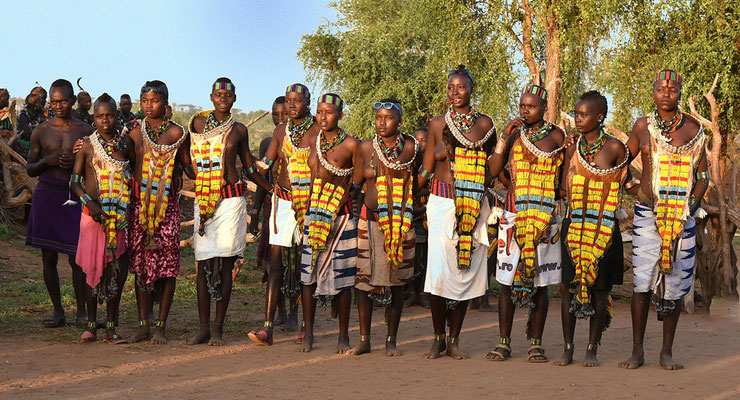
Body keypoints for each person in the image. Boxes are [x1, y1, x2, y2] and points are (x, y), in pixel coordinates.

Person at [619, 70, 708, 370]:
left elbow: (703, 177)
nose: (666, 93)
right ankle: (637, 350)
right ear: (653, 92)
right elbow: (621, 161)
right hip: (647, 214)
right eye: (661, 88)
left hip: (682, 217)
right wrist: (632, 189)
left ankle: (666, 351)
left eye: (672, 88)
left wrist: (690, 206)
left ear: (680, 91)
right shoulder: (643, 126)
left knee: (675, 284)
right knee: (642, 283)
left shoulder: (694, 129)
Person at [417, 66, 496, 359]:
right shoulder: (437, 124)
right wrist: (411, 187)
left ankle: (455, 340)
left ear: (472, 89)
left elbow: (491, 168)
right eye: (450, 87)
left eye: (460, 87)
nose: (454, 93)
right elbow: (426, 166)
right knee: (438, 274)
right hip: (441, 202)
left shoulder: (486, 124)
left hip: (474, 205)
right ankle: (437, 338)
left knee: (465, 275)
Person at [187, 78, 272, 346]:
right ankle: (202, 328)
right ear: (211, 97)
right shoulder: (198, 125)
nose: (223, 98)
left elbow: (248, 167)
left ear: (234, 98)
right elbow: (186, 158)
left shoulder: (238, 130)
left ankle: (218, 329)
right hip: (205, 201)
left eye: (228, 94)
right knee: (202, 265)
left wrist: (271, 188)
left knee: (225, 265)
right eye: (218, 94)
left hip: (232, 201)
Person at [486, 84, 566, 362]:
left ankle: (536, 343)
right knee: (506, 281)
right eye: (522, 106)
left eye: (531, 106)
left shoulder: (558, 136)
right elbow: (494, 171)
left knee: (541, 281)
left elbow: (564, 178)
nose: (524, 111)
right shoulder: (514, 135)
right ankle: (504, 342)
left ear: (544, 108)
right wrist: (504, 138)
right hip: (513, 216)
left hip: (544, 220)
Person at [552, 91, 629, 367]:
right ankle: (568, 347)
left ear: (600, 117)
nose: (578, 119)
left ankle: (591, 348)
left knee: (599, 290)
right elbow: (563, 189)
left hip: (604, 229)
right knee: (569, 288)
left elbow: (625, 184)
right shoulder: (572, 147)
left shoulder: (616, 148)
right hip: (575, 227)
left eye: (584, 114)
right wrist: (569, 154)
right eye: (576, 113)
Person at [248, 83, 320, 346]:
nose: (291, 105)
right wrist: (251, 165)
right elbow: (266, 164)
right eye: (289, 100)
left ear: (308, 103)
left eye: (297, 101)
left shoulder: (318, 131)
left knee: (306, 266)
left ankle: (305, 326)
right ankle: (268, 328)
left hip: (311, 205)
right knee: (276, 264)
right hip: (282, 203)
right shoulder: (281, 130)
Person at [350, 98, 418, 356]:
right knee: (364, 282)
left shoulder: (411, 147)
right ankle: (365, 339)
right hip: (370, 221)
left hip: (401, 222)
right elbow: (355, 182)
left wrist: (407, 203)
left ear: (399, 121)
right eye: (378, 117)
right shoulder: (366, 148)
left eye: (388, 118)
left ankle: (392, 340)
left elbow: (421, 176)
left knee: (398, 281)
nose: (382, 122)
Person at [127, 80, 190, 344]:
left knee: (167, 267)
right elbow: (125, 162)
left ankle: (161, 327)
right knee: (140, 266)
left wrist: (176, 171)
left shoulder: (177, 134)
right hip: (140, 207)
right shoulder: (132, 133)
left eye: (154, 101)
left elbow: (188, 167)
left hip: (167, 208)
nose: (148, 106)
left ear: (165, 103)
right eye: (144, 101)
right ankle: (143, 325)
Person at [26, 79, 92, 328]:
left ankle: (82, 313)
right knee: (48, 257)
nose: (58, 106)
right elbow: (30, 168)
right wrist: (48, 161)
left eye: (63, 100)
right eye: (54, 102)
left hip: (74, 197)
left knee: (77, 258)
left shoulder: (85, 130)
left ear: (73, 100)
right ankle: (58, 311)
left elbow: (96, 165)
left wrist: (79, 158)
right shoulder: (41, 130)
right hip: (47, 195)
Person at [299, 93, 359, 353]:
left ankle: (343, 335)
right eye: (320, 112)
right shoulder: (312, 140)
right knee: (307, 275)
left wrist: (342, 200)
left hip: (341, 216)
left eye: (330, 112)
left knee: (344, 277)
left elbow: (357, 182)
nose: (323, 117)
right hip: (313, 214)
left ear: (341, 115)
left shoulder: (351, 145)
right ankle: (309, 333)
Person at [70, 93, 132, 343]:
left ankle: (112, 327)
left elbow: (134, 177)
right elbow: (74, 182)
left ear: (117, 116)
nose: (104, 120)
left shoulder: (125, 145)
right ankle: (91, 325)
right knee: (91, 269)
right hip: (91, 216)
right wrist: (89, 203)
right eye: (99, 116)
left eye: (109, 115)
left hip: (117, 219)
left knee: (114, 270)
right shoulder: (86, 145)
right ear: (93, 118)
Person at [249, 96, 300, 331]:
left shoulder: (303, 141)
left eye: (283, 114)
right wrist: (256, 210)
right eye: (275, 114)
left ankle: (293, 313)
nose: (280, 117)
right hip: (275, 204)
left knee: (296, 263)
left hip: (297, 205)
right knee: (274, 263)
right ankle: (278, 312)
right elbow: (263, 179)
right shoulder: (269, 142)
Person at [405, 127, 430, 309]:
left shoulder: (431, 163)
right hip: (412, 215)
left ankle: (423, 294)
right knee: (413, 257)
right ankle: (412, 294)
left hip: (428, 218)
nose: (420, 143)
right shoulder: (410, 162)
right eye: (417, 139)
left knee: (426, 258)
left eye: (424, 140)